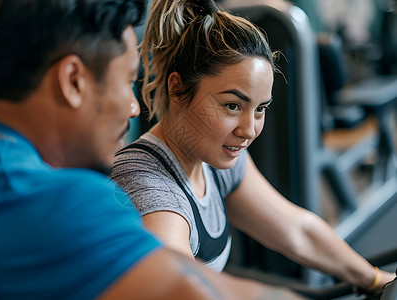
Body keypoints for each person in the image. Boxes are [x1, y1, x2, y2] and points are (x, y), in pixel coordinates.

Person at [0, 0, 308, 299]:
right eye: (125, 81)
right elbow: (190, 292)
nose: (134, 107)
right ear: (73, 81)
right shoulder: (60, 203)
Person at [110, 0, 396, 293]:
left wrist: (375, 280)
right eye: (232, 105)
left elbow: (298, 231)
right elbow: (180, 287)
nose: (249, 131)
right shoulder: (149, 187)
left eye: (260, 109)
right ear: (177, 88)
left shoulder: (212, 156)